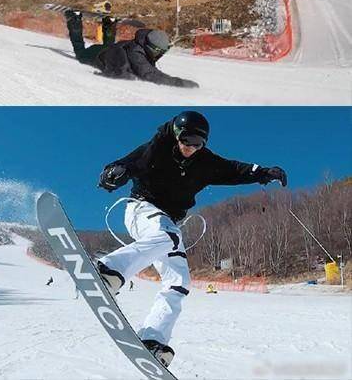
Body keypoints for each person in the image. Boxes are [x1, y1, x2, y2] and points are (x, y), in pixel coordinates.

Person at [96, 111, 287, 367]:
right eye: (187, 141)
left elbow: (234, 170)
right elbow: (127, 165)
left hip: (170, 226)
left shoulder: (205, 163)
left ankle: (152, 338)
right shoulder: (157, 149)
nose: (191, 148)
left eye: (198, 144)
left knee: (179, 281)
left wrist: (264, 172)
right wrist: (112, 174)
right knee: (169, 236)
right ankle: (109, 270)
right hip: (142, 209)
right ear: (177, 136)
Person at [63, 9, 185, 86]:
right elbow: (149, 74)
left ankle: (109, 23)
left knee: (111, 48)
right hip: (97, 55)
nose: (161, 54)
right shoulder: (137, 54)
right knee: (80, 54)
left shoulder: (140, 42)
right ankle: (74, 19)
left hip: (110, 51)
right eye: (159, 51)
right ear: (152, 48)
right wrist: (180, 83)